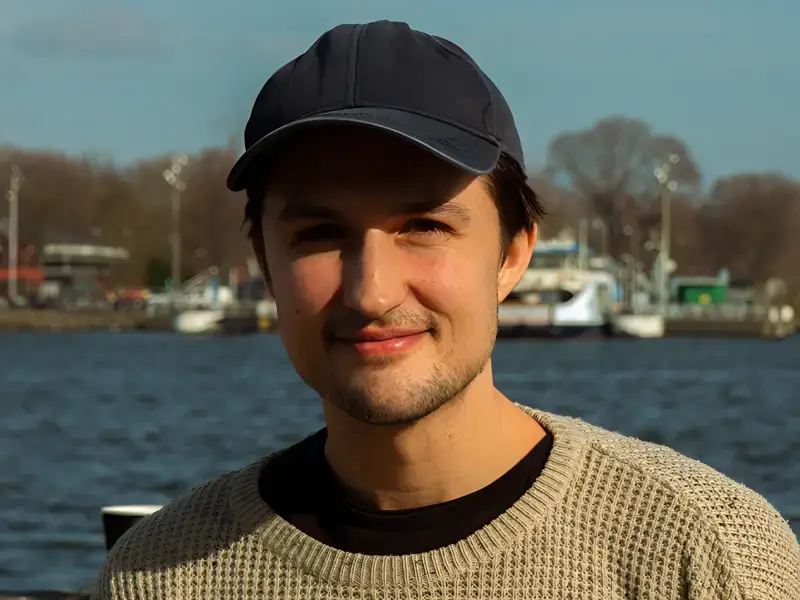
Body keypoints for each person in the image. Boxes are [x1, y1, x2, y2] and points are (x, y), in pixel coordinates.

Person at [94, 20, 799, 600]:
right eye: (319, 236)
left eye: (424, 227)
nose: (372, 292)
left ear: (513, 254)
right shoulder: (160, 575)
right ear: (265, 267)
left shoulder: (707, 556)